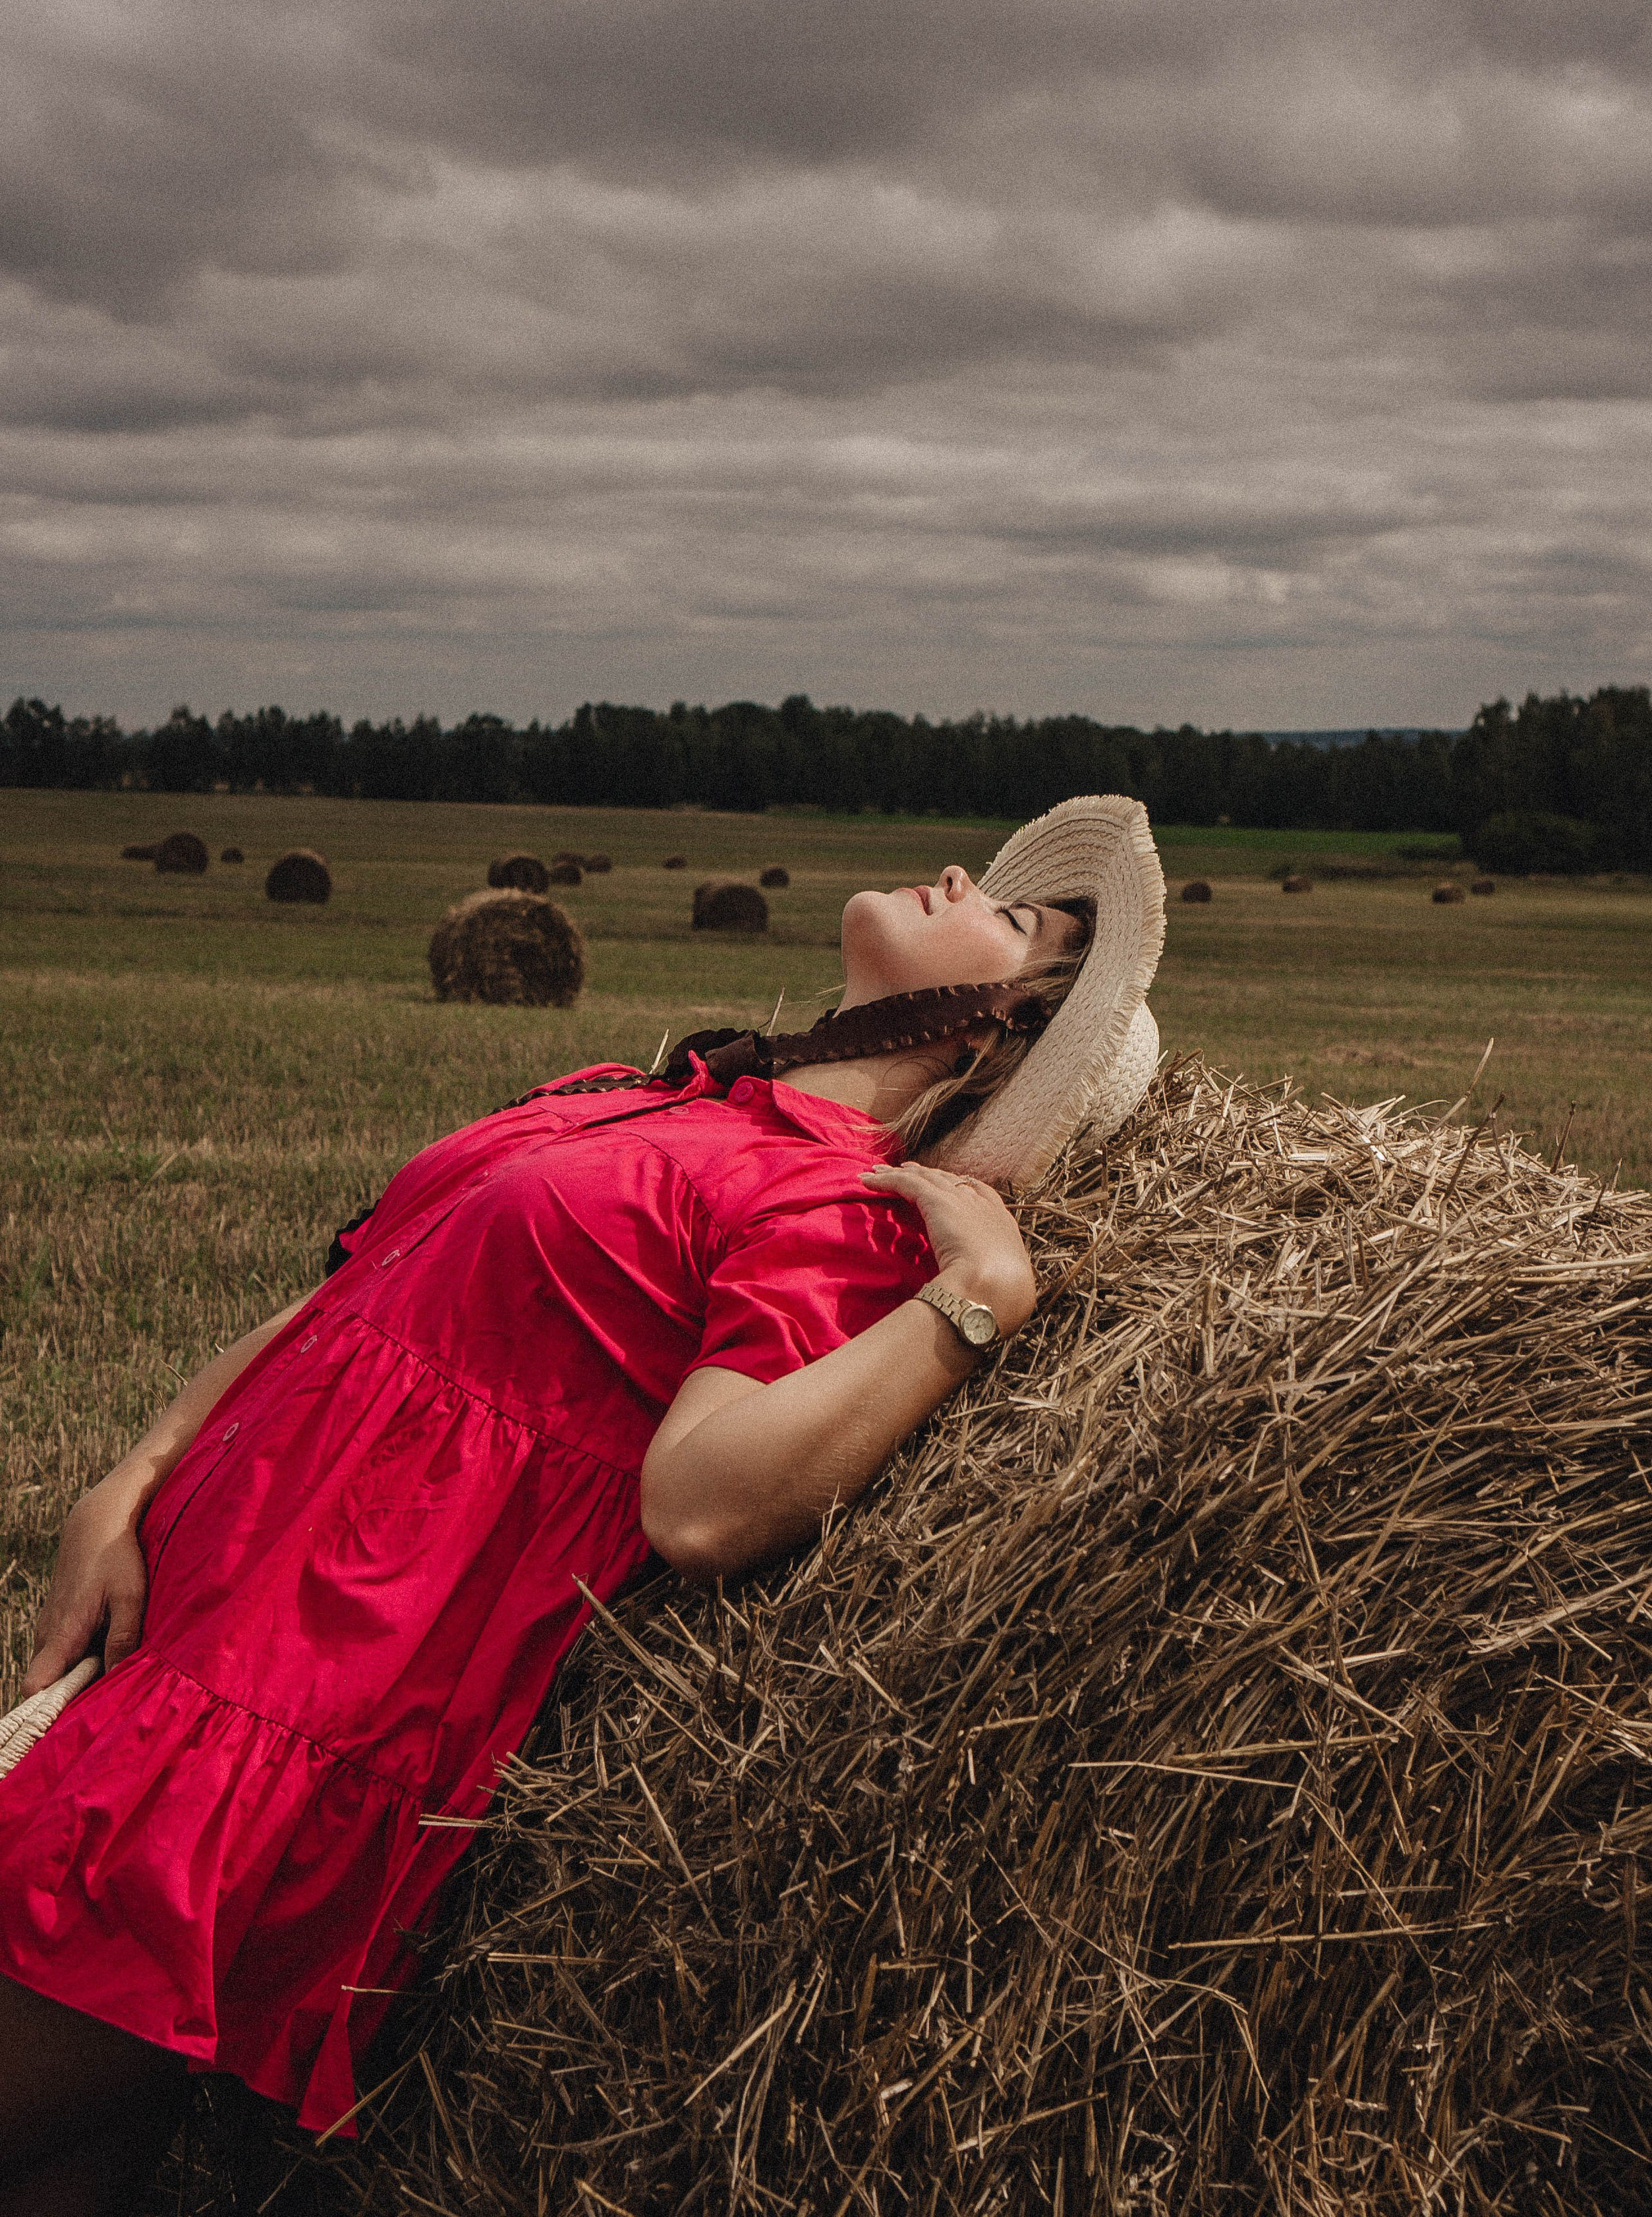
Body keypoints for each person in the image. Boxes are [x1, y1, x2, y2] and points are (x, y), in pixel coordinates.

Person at [0, 795, 1163, 2215]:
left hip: (298, 1707)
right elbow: (360, 1283)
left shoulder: (834, 1211)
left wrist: (973, 1302)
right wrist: (132, 1473)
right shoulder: (660, 1088)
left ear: (989, 1030)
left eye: (1009, 913)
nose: (949, 875)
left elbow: (701, 1504)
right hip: (189, 1634)